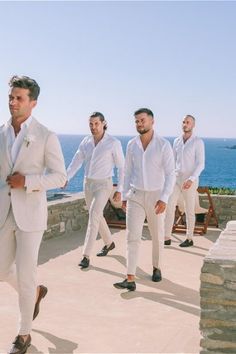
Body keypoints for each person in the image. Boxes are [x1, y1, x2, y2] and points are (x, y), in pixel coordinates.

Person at [0, 75, 67, 354]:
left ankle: (24, 335)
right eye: (11, 97)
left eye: (19, 98)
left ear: (33, 103)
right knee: (3, 271)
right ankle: (37, 293)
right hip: (4, 213)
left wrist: (27, 181)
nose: (13, 102)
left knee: (26, 275)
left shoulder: (45, 135)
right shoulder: (1, 132)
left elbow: (60, 177)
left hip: (30, 215)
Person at [113, 108, 175, 291]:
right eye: (136, 121)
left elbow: (171, 174)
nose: (139, 124)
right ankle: (130, 277)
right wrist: (124, 195)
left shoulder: (163, 145)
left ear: (152, 121)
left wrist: (164, 198)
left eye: (142, 120)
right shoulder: (132, 144)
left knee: (157, 235)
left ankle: (157, 267)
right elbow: (127, 172)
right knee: (132, 237)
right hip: (136, 196)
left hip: (157, 197)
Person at [66, 112, 125, 269]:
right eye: (90, 124)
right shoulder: (86, 141)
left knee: (93, 216)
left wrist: (120, 189)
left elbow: (121, 167)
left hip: (104, 185)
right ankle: (109, 243)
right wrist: (67, 177)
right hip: (88, 184)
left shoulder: (113, 143)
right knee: (97, 216)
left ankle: (86, 255)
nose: (93, 127)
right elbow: (76, 161)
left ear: (103, 123)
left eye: (96, 124)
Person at [164, 114, 205, 247]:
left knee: (189, 209)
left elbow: (200, 164)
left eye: (188, 122)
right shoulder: (176, 141)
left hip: (190, 181)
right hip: (176, 180)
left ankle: (189, 238)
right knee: (169, 206)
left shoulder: (198, 142)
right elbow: (172, 162)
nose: (185, 124)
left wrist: (191, 179)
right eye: (183, 122)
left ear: (193, 125)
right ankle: (166, 236)